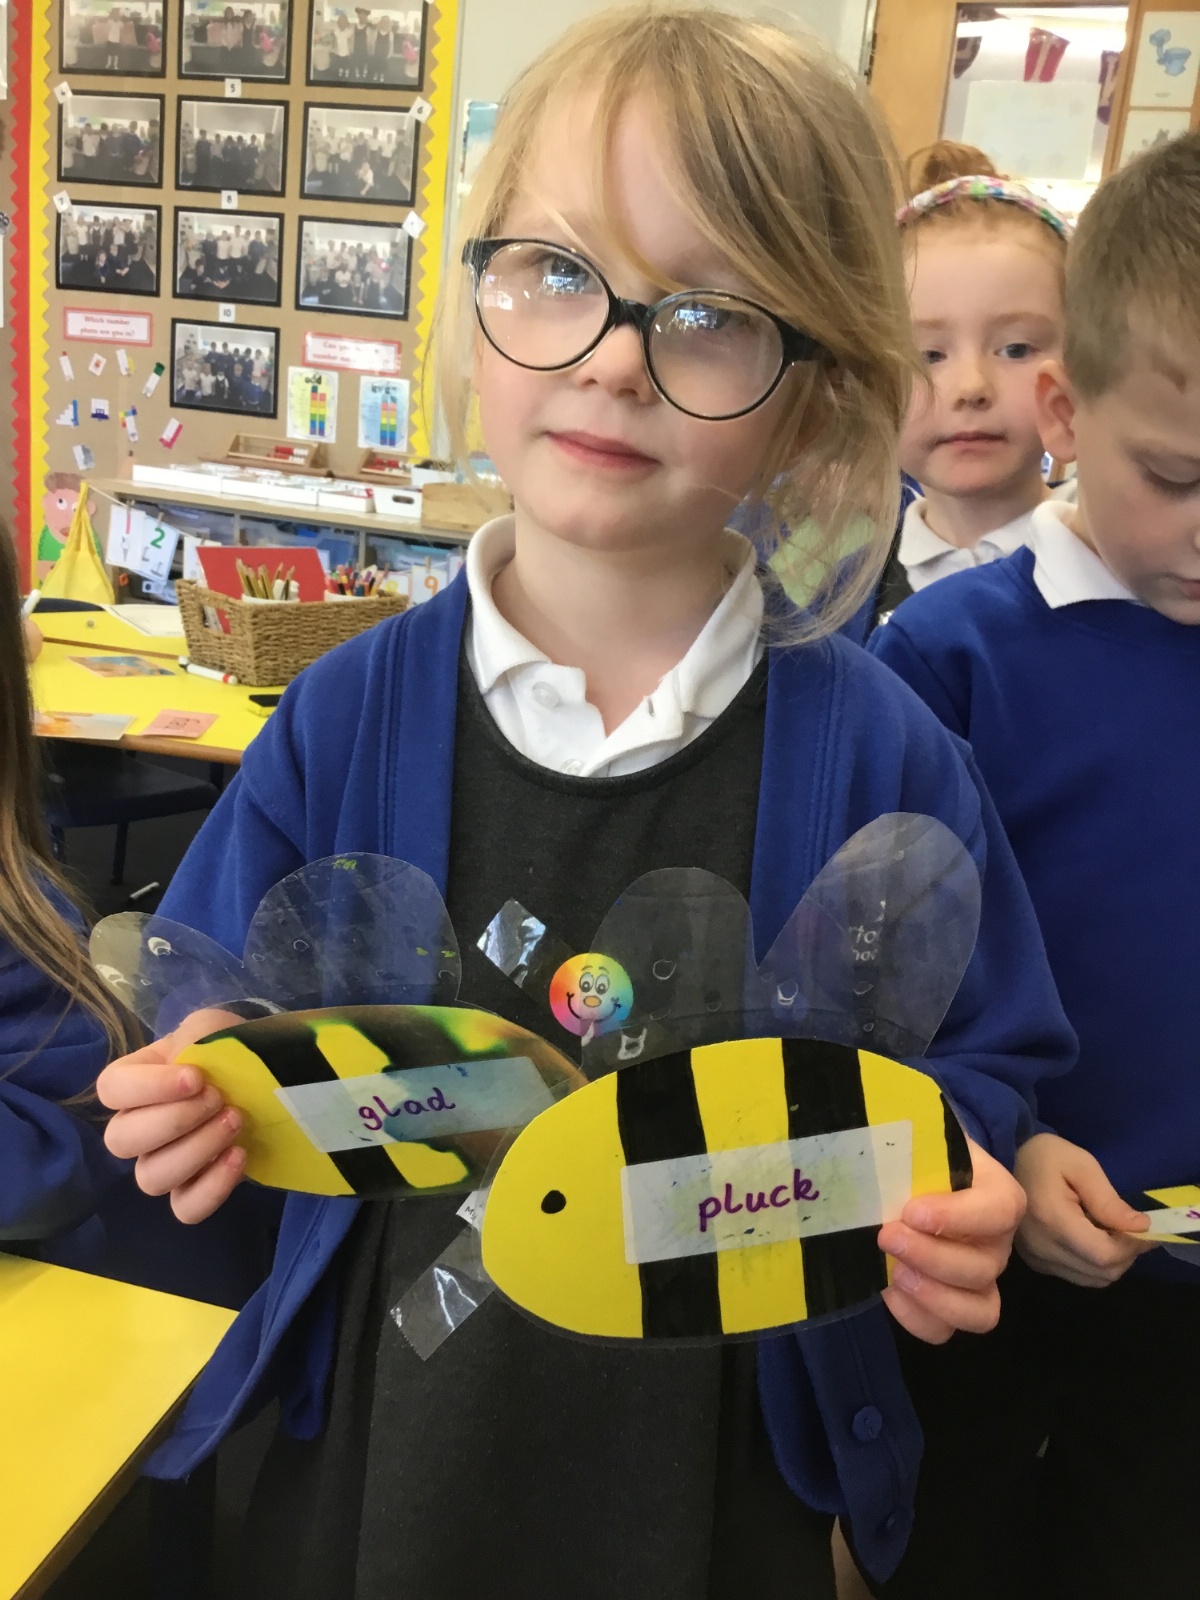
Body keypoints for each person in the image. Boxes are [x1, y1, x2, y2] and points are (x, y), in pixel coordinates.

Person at [97, 11, 1073, 1599]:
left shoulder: (885, 750)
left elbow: (989, 1063)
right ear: (476, 304)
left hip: (716, 1494)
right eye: (556, 270)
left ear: (814, 390)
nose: (613, 356)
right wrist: (196, 1078)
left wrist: (962, 1171)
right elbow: (213, 981)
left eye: (706, 314)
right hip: (381, 1479)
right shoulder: (345, 710)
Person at [867, 132, 1200, 1600]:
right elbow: (879, 985)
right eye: (1176, 477)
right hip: (989, 1257)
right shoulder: (947, 658)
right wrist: (1001, 1141)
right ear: (1069, 413)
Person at [883, 143, 1071, 614]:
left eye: (1016, 349)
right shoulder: (831, 594)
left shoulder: (1132, 575)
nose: (971, 387)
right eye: (928, 355)